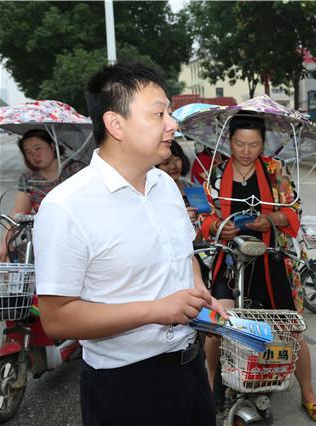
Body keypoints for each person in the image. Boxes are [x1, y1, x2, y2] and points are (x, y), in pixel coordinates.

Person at [33, 62, 227, 425]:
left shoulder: (166, 185)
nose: (172, 123)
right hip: (125, 387)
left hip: (190, 368)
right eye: (159, 113)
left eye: (169, 112)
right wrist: (156, 310)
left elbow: (186, 257)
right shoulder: (66, 207)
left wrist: (202, 298)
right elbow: (57, 318)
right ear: (115, 124)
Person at [200, 112, 316, 423]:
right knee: (217, 322)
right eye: (239, 143)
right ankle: (207, 390)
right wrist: (219, 226)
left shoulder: (275, 171)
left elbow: (293, 212)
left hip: (270, 257)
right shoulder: (216, 175)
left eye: (253, 144)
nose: (246, 151)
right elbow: (204, 219)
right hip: (230, 258)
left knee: (289, 327)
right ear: (229, 141)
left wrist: (271, 219)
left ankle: (308, 394)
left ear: (263, 144)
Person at [0, 129, 85, 262]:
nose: (35, 155)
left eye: (38, 148)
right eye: (28, 152)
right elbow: (18, 212)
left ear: (52, 146)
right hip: (45, 237)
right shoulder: (29, 178)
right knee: (7, 256)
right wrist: (4, 243)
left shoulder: (76, 170)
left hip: (77, 235)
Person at [156, 140, 199, 222]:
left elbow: (205, 215)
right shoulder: (155, 193)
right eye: (166, 163)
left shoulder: (191, 186)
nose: (173, 166)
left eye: (176, 159)